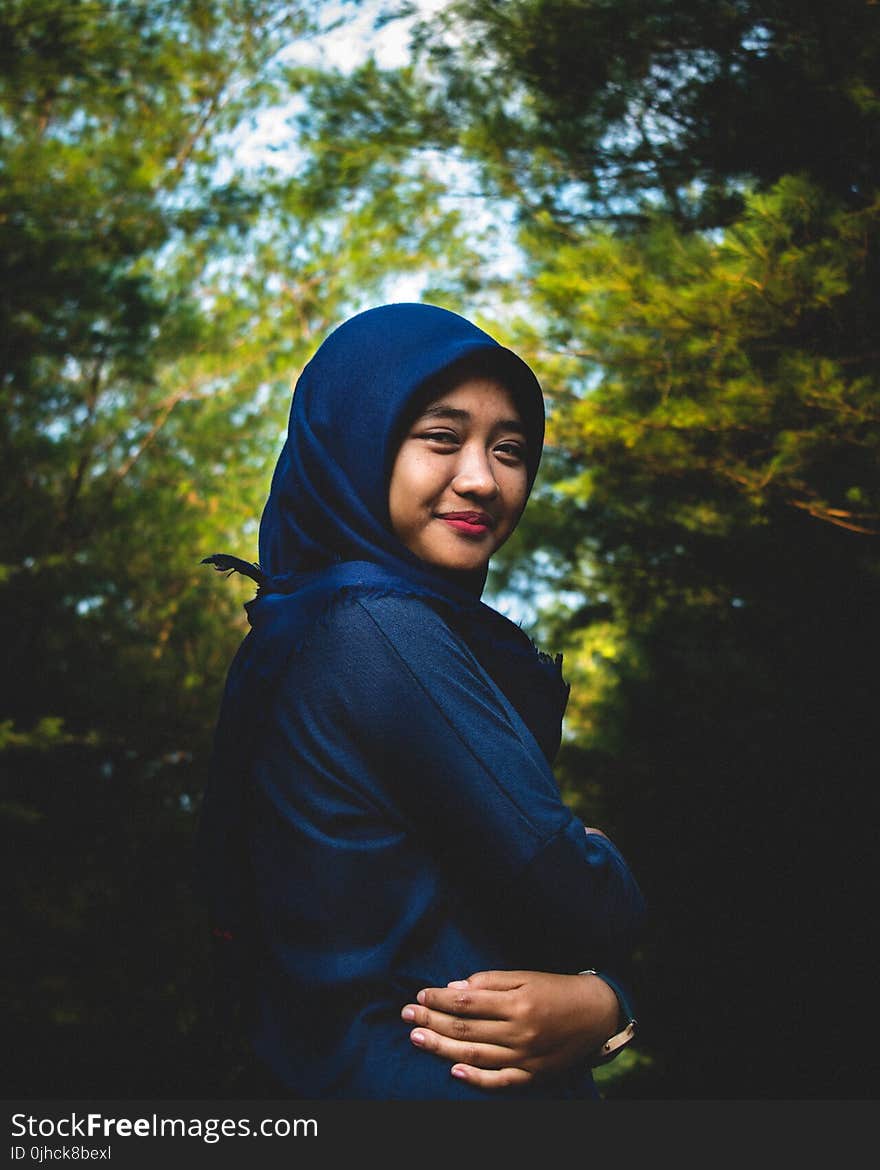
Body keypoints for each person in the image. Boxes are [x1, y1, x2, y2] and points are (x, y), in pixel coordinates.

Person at [196, 302, 645, 1099]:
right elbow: (577, 899)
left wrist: (603, 1001)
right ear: (360, 444)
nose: (482, 478)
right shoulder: (379, 630)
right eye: (441, 438)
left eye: (510, 450)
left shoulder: (314, 624)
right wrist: (605, 886)